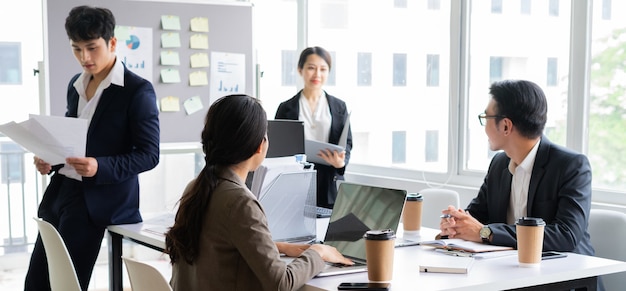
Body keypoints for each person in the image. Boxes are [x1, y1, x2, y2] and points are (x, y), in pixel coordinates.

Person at [24, 6, 160, 291]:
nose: (84, 58)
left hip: (97, 200)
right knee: (36, 282)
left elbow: (149, 154)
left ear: (112, 43)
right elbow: (71, 140)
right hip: (61, 192)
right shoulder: (75, 86)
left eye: (91, 47)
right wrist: (50, 159)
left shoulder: (137, 91)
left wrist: (101, 166)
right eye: (76, 49)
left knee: (66, 285)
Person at [165, 94, 352, 291]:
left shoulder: (195, 187)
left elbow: (219, 244)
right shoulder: (240, 202)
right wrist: (318, 251)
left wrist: (276, 246)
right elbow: (281, 283)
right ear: (259, 146)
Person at [439, 79, 594, 257]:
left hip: (566, 275)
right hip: (511, 268)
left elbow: (565, 236)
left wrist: (487, 233)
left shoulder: (571, 166)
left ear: (505, 125)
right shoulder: (499, 164)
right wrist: (455, 224)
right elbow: (476, 216)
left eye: (485, 118)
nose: (484, 128)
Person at [275, 46, 352, 209]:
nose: (317, 74)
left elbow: (348, 143)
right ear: (300, 69)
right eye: (311, 68)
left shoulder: (339, 107)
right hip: (296, 182)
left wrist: (341, 163)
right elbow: (278, 148)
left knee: (328, 232)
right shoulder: (285, 108)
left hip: (329, 183)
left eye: (323, 69)